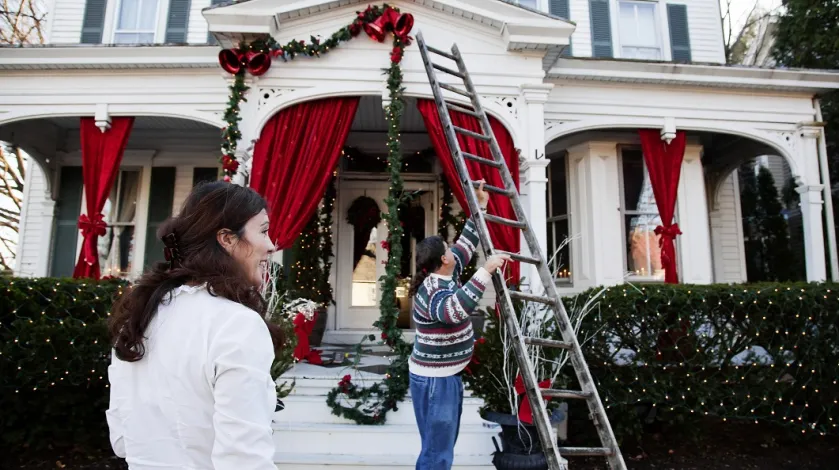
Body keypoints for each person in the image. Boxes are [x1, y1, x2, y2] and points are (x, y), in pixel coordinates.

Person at [106, 181, 283, 470]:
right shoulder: (237, 324)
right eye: (263, 231)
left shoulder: (139, 318)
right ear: (226, 239)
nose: (271, 245)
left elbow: (123, 440)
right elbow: (243, 459)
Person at [408, 180, 510, 470]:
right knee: (436, 452)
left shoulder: (447, 273)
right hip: (434, 382)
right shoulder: (431, 291)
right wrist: (486, 270)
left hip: (445, 377)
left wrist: (480, 204)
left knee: (441, 446)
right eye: (448, 248)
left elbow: (467, 242)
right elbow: (454, 310)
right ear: (443, 259)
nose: (454, 249)